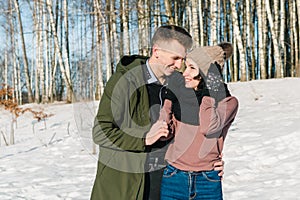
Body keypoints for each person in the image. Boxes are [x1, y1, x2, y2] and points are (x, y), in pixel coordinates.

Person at [91, 25, 224, 200]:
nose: (179, 65)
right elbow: (101, 132)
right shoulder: (125, 81)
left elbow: (197, 131)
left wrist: (208, 162)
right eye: (175, 58)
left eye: (182, 59)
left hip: (168, 182)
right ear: (156, 51)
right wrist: (144, 139)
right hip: (125, 185)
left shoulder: (182, 86)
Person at [160, 44, 239, 200]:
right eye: (185, 67)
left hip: (207, 181)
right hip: (173, 177)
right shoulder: (179, 100)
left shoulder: (228, 102)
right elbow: (163, 134)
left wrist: (210, 92)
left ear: (205, 73)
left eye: (192, 68)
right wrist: (169, 100)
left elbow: (208, 126)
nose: (185, 73)